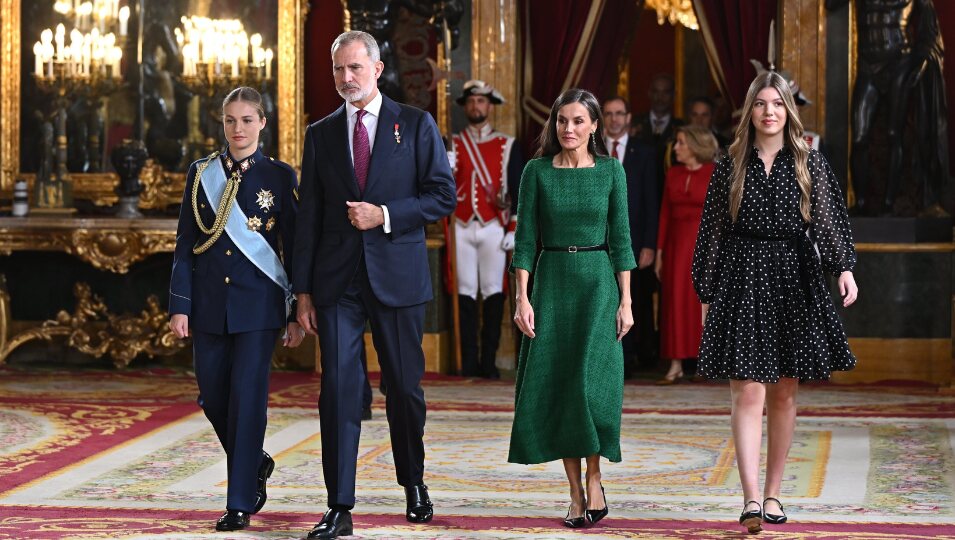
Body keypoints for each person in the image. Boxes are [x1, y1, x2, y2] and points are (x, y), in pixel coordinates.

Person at [292, 31, 456, 540]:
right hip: (336, 284)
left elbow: (442, 196)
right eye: (338, 69)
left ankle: (414, 483)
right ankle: (339, 505)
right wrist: (302, 293)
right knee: (338, 392)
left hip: (398, 279)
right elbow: (309, 219)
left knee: (403, 390)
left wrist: (385, 214)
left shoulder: (416, 123)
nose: (346, 78)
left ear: (378, 68)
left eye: (355, 68)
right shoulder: (320, 134)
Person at [691, 71, 858, 533]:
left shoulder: (810, 161)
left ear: (788, 110)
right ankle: (748, 499)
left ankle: (773, 493)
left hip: (793, 276)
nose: (769, 112)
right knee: (747, 389)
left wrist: (843, 267)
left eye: (777, 104)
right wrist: (706, 290)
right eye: (761, 103)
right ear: (750, 111)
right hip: (742, 276)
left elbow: (827, 220)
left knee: (784, 390)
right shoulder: (730, 164)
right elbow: (712, 232)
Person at [168, 86, 303, 532]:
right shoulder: (200, 172)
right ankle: (255, 460)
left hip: (258, 307)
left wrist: (295, 308)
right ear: (222, 124)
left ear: (262, 123)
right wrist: (179, 305)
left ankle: (239, 502)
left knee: (248, 402)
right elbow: (186, 243)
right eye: (230, 121)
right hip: (208, 305)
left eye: (247, 120)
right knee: (211, 396)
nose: (238, 129)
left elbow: (293, 247)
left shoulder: (279, 177)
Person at [510, 88, 635, 529]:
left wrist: (627, 300)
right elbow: (525, 241)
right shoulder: (536, 171)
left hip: (598, 285)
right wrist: (522, 298)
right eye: (562, 120)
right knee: (564, 386)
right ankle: (576, 494)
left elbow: (621, 240)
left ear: (595, 126)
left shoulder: (611, 172)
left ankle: (596, 476)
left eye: (578, 121)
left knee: (592, 384)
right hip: (552, 283)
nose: (568, 129)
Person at [450, 79, 524, 378]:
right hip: (462, 224)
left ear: (489, 106)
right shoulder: (452, 144)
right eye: (471, 102)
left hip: (495, 225)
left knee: (494, 294)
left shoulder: (507, 145)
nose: (476, 107)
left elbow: (519, 190)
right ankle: (468, 362)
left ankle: (488, 363)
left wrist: (514, 227)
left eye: (481, 101)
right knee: (465, 294)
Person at [654, 125, 718, 384]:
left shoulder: (715, 173)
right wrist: (659, 252)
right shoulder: (673, 173)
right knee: (674, 303)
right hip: (676, 246)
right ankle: (676, 364)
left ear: (695, 145)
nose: (676, 148)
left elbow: (720, 217)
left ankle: (704, 362)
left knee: (700, 305)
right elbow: (664, 214)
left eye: (681, 143)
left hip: (704, 244)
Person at [601, 96, 658, 376]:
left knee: (633, 298)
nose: (614, 119)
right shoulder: (593, 150)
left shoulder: (644, 153)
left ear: (629, 117)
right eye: (609, 113)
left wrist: (650, 243)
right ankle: (606, 358)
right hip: (598, 240)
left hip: (635, 239)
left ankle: (632, 357)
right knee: (605, 298)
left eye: (619, 113)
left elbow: (652, 201)